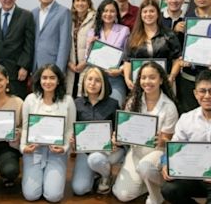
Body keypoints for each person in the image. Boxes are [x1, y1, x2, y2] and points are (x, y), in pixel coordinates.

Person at [112, 62, 179, 204]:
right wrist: (118, 139)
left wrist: (162, 140)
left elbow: (170, 141)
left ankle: (156, 194)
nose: (147, 81)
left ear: (161, 80)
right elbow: (125, 133)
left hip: (157, 153)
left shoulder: (169, 107)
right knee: (122, 195)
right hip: (136, 152)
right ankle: (146, 182)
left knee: (145, 166)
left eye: (152, 77)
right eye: (143, 77)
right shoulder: (133, 101)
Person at [20, 64, 76, 202]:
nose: (48, 82)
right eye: (44, 78)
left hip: (56, 153)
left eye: (52, 78)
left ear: (58, 80)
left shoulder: (68, 101)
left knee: (54, 197)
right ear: (39, 80)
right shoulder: (30, 100)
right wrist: (23, 147)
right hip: (35, 152)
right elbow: (25, 127)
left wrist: (64, 148)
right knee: (31, 195)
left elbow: (70, 129)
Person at [161, 69, 211, 204]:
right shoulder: (186, 119)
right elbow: (174, 148)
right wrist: (166, 163)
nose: (207, 96)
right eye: (202, 91)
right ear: (195, 93)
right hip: (195, 177)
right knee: (169, 189)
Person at [71, 67, 122, 196]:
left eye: (97, 80)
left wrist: (116, 140)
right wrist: (72, 139)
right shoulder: (76, 104)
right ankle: (95, 173)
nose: (92, 83)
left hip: (108, 151)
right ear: (84, 82)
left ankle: (106, 175)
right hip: (85, 151)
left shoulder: (113, 104)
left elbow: (119, 131)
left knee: (96, 160)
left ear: (103, 84)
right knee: (79, 189)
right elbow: (72, 130)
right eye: (89, 79)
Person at [123, 0, 181, 90]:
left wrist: (172, 77)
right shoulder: (133, 37)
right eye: (145, 12)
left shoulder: (169, 35)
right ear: (141, 15)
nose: (148, 14)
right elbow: (127, 60)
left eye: (152, 11)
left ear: (158, 14)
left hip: (165, 82)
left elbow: (177, 59)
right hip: (141, 83)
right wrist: (127, 78)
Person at [0, 0, 35, 99]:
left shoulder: (26, 16)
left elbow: (29, 44)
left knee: (17, 104)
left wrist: (24, 67)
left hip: (17, 72)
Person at [87, 0, 130, 107]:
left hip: (115, 79)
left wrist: (119, 70)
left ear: (116, 13)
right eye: (105, 11)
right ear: (100, 13)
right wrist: (90, 48)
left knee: (115, 110)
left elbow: (128, 58)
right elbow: (87, 58)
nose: (108, 14)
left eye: (112, 11)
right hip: (96, 80)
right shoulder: (92, 32)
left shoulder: (124, 30)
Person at [178, 0, 211, 113]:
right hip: (189, 77)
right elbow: (178, 50)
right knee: (190, 115)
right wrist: (182, 59)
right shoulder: (186, 20)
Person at [32, 0, 71, 72]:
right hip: (35, 66)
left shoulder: (63, 12)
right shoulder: (33, 13)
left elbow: (64, 43)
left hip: (53, 65)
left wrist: (59, 70)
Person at [66, 0, 96, 97]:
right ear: (73, 3)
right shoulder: (68, 18)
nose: (80, 3)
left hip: (87, 65)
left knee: (84, 96)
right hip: (71, 66)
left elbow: (98, 44)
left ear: (88, 3)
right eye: (77, 0)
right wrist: (69, 64)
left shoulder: (95, 18)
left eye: (83, 0)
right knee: (70, 95)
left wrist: (85, 62)